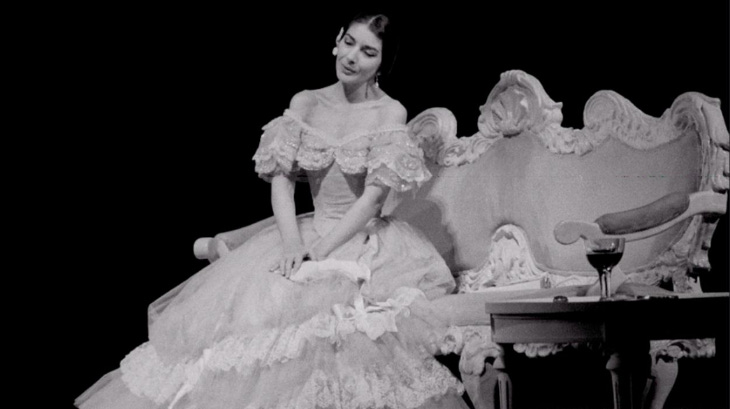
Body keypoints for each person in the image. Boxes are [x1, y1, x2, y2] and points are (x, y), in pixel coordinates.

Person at [75, 11, 470, 409]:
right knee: (255, 314)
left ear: (382, 63)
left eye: (368, 51)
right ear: (337, 38)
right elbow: (281, 179)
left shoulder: (390, 113)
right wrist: (293, 243)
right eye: (349, 42)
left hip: (360, 237)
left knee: (337, 330)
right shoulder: (306, 102)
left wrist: (321, 250)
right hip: (303, 232)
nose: (352, 57)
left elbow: (371, 199)